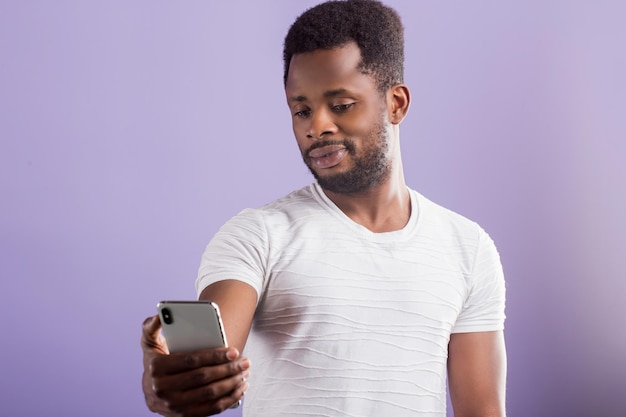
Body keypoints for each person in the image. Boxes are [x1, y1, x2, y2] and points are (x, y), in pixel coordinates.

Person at [141, 1, 507, 416]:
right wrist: (166, 378)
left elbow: (482, 410)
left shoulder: (467, 247)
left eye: (341, 105)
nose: (317, 126)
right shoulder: (259, 234)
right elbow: (201, 366)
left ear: (396, 104)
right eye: (301, 110)